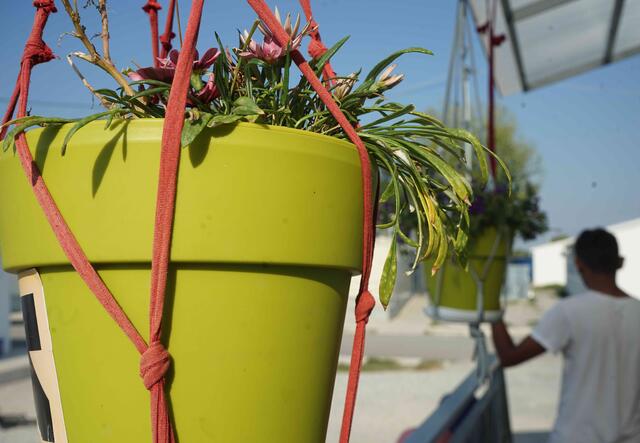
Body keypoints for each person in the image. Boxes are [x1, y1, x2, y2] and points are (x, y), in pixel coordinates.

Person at [491, 228, 640, 443]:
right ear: (620, 262)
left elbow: (509, 356)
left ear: (579, 264)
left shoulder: (569, 311)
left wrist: (492, 309)